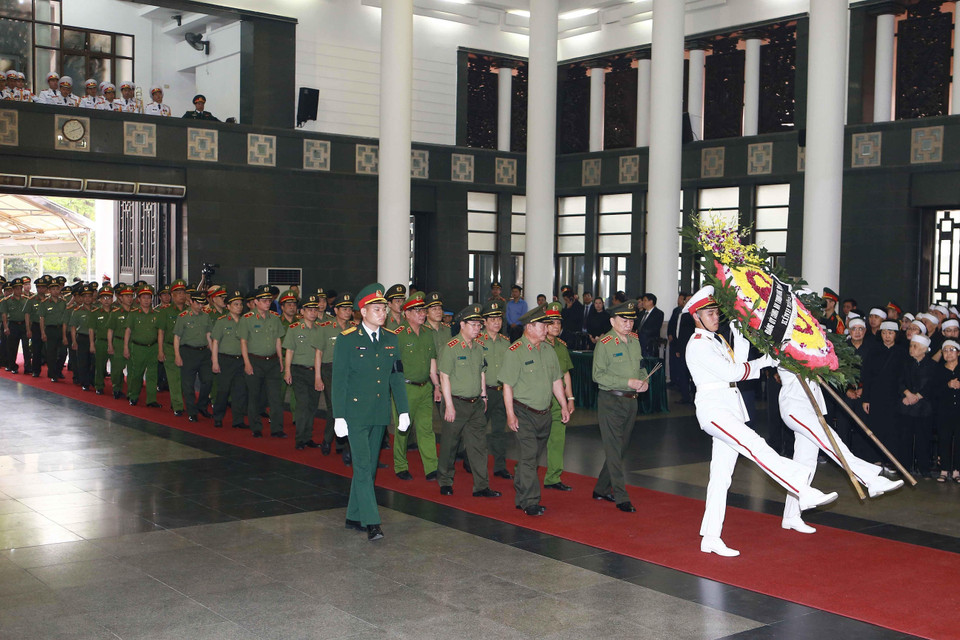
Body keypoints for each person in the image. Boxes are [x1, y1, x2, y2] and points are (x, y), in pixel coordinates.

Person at [684, 285, 837, 557]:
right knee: (756, 446)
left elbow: (737, 365)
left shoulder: (716, 340)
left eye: (716, 312)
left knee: (721, 478)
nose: (715, 317)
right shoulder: (697, 345)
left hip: (728, 409)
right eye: (708, 313)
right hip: (714, 410)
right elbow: (732, 371)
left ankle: (710, 536)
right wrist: (765, 361)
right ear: (696, 316)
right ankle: (802, 489)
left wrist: (743, 337)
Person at [777, 368, 903, 533]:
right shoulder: (787, 344)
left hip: (811, 406)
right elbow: (791, 362)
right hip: (795, 404)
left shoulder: (817, 342)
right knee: (832, 442)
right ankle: (871, 479)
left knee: (805, 461)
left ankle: (791, 515)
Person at [332, 283, 410, 541]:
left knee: (369, 468)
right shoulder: (347, 339)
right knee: (363, 466)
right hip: (354, 413)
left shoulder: (391, 338)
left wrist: (403, 411)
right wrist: (339, 415)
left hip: (379, 412)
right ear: (362, 312)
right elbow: (339, 379)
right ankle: (372, 522)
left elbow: (396, 377)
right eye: (376, 309)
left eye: (384, 309)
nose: (382, 313)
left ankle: (354, 514)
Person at [498, 304, 570, 516]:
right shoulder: (515, 352)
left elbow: (557, 380)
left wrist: (564, 405)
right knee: (529, 456)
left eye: (547, 325)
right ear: (529, 327)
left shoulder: (548, 350)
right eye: (542, 325)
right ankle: (530, 500)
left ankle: (521, 493)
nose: (546, 329)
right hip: (524, 412)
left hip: (545, 413)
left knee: (533, 457)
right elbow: (507, 386)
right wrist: (510, 414)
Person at [436, 303, 501, 498]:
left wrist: (483, 395)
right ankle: (445, 480)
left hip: (475, 404)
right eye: (473, 324)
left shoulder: (479, 347)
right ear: (462, 324)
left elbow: (482, 372)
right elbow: (444, 377)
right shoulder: (451, 348)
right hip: (455, 402)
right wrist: (448, 405)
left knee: (479, 446)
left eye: (479, 325)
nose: (477, 328)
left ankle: (481, 486)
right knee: (450, 445)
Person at [591, 298, 648, 512]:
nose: (629, 324)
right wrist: (627, 382)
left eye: (631, 320)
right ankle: (621, 496)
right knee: (614, 449)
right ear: (613, 321)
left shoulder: (634, 341)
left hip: (631, 402)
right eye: (624, 320)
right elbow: (598, 376)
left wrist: (644, 381)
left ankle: (600, 488)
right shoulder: (605, 344)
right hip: (611, 401)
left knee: (620, 448)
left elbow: (641, 367)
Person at [391, 291, 440, 481]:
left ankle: (431, 468)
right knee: (403, 429)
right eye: (417, 310)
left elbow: (432, 361)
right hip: (405, 388)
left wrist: (436, 385)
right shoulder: (398, 335)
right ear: (407, 313)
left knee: (426, 428)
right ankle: (400, 465)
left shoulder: (428, 333)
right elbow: (392, 366)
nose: (422, 314)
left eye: (423, 310)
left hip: (425, 387)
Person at [239, 284, 285, 438]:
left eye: (269, 300)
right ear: (256, 302)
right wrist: (247, 363)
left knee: (275, 397)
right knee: (254, 396)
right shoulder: (247, 319)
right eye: (264, 300)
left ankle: (277, 428)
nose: (267, 302)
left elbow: (278, 340)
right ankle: (256, 427)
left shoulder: (275, 318)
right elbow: (243, 342)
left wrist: (280, 360)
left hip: (272, 361)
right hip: (254, 360)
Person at [861, 321, 907, 476]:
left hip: (894, 396)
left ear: (896, 334)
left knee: (892, 429)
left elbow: (904, 377)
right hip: (875, 396)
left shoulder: (902, 352)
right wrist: (866, 399)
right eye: (884, 333)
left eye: (891, 333)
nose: (887, 336)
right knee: (875, 427)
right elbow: (866, 376)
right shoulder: (874, 350)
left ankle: (891, 461)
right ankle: (876, 459)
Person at [318, 292, 356, 462]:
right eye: (344, 308)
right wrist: (317, 376)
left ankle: (345, 446)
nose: (348, 312)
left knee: (348, 408)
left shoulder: (355, 328)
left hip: (350, 371)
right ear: (336, 310)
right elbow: (318, 353)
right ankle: (328, 440)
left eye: (350, 309)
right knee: (335, 407)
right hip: (329, 369)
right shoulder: (326, 327)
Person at [283, 294, 323, 450]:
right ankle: (300, 439)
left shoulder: (321, 329)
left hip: (316, 373)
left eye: (315, 309)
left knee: (312, 406)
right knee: (302, 405)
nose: (313, 313)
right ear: (302, 311)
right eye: (309, 310)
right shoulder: (294, 329)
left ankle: (308, 437)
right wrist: (287, 371)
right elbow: (290, 351)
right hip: (299, 371)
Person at [543, 302, 575, 492]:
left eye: (558, 323)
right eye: (551, 322)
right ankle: (523, 471)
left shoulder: (561, 347)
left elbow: (566, 374)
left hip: (558, 401)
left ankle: (553, 477)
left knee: (557, 439)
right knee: (536, 442)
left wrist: (569, 398)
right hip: (540, 400)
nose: (556, 326)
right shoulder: (538, 346)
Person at [479, 300, 512, 479]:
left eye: (499, 318)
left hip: (501, 392)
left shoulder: (505, 342)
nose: (496, 322)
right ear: (484, 321)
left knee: (499, 431)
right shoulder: (477, 341)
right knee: (478, 430)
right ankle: (473, 462)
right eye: (492, 319)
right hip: (483, 392)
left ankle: (500, 466)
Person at [899, 334, 936, 478]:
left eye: (915, 346)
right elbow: (899, 381)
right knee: (905, 438)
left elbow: (932, 385)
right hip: (906, 405)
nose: (911, 349)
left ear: (924, 349)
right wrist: (907, 394)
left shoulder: (932, 365)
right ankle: (904, 467)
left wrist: (917, 396)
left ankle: (924, 468)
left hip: (924, 407)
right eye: (911, 345)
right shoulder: (905, 363)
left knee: (923, 438)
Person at [174, 288, 214, 422]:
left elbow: (209, 336)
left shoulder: (206, 316)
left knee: (208, 380)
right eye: (197, 303)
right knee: (188, 384)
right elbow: (177, 338)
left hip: (204, 353)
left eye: (202, 303)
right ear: (190, 302)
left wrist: (213, 355)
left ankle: (202, 406)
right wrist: (177, 355)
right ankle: (192, 411)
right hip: (188, 352)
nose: (200, 306)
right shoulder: (183, 316)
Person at [124, 284, 162, 408]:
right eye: (144, 297)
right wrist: (126, 347)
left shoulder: (156, 314)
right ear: (138, 299)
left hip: (153, 347)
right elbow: (128, 331)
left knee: (152, 375)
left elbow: (160, 332)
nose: (146, 300)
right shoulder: (134, 314)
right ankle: (133, 396)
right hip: (138, 347)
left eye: (149, 297)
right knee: (137, 374)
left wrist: (160, 350)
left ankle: (151, 399)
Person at [158, 280, 189, 416]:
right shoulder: (166, 311)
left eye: (183, 292)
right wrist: (160, 351)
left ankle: (176, 400)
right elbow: (161, 332)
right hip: (169, 348)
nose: (181, 295)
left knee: (184, 378)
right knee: (174, 377)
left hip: (186, 348)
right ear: (172, 295)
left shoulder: (189, 311)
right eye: (178, 293)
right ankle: (178, 406)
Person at [934, 339, 960, 483]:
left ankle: (957, 470)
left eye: (952, 350)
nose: (949, 353)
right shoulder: (938, 370)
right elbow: (934, 391)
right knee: (944, 439)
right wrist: (947, 385)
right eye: (945, 350)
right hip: (944, 411)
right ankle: (944, 470)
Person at [107, 283, 135, 399]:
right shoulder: (115, 313)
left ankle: (131, 392)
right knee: (117, 369)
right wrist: (110, 345)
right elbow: (110, 330)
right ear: (120, 298)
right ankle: (116, 389)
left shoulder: (136, 312)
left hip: (132, 343)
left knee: (132, 369)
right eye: (126, 296)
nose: (129, 298)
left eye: (131, 296)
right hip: (118, 342)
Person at [38, 276, 68, 382]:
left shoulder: (63, 302)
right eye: (53, 289)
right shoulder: (44, 303)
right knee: (51, 353)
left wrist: (64, 335)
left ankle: (58, 370)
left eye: (57, 289)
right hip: (50, 330)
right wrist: (43, 333)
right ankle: (52, 373)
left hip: (61, 329)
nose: (55, 291)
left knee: (63, 352)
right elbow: (42, 319)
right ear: (49, 290)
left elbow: (65, 319)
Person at [70, 283, 97, 391]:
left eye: (89, 296)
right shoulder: (77, 312)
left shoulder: (96, 310)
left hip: (95, 338)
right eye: (84, 296)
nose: (87, 299)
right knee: (83, 361)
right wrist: (74, 341)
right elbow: (73, 327)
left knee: (94, 361)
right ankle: (84, 382)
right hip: (82, 338)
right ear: (81, 298)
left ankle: (93, 380)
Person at [89, 285, 114, 395]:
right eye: (104, 298)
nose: (106, 300)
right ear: (100, 299)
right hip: (101, 342)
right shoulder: (95, 313)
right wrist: (92, 344)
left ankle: (117, 386)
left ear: (112, 299)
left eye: (109, 298)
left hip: (115, 342)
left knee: (116, 366)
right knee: (99, 365)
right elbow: (91, 330)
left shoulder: (116, 312)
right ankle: (99, 385)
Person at [2, 277, 28, 372]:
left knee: (26, 347)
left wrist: (28, 328)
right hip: (13, 325)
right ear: (13, 289)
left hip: (24, 325)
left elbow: (27, 314)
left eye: (20, 288)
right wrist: (5, 327)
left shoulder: (26, 299)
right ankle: (12, 366)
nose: (19, 290)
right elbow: (4, 314)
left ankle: (27, 367)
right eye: (16, 288)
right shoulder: (7, 300)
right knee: (12, 347)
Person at [635, 292, 664, 358]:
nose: (643, 302)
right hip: (639, 344)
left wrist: (641, 333)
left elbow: (655, 329)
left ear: (651, 302)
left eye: (645, 300)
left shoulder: (658, 313)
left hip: (650, 344)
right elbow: (637, 325)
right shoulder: (641, 313)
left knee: (649, 365)